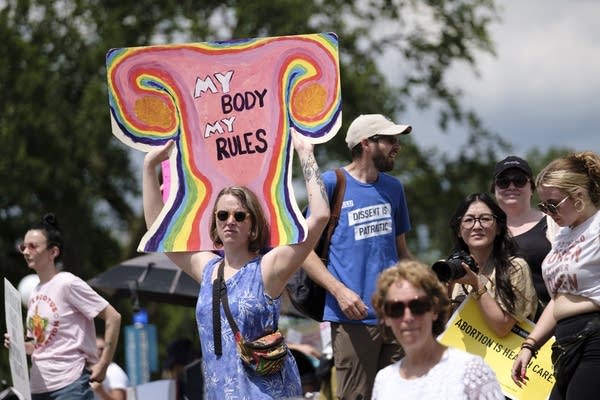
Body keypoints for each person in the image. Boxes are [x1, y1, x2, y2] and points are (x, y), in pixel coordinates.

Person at [142, 128, 329, 399]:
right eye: (223, 214)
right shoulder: (207, 270)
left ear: (253, 228)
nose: (230, 220)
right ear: (215, 224)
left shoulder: (268, 269)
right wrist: (149, 167)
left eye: (240, 216)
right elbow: (158, 234)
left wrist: (306, 154)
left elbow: (320, 216)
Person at [301, 113, 413, 399]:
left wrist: (424, 292)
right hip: (351, 320)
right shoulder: (330, 183)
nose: (397, 146)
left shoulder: (394, 188)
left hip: (397, 317)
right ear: (366, 143)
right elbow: (302, 253)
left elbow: (402, 253)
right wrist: (339, 292)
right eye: (390, 139)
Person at [3, 213, 122, 400]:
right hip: (38, 388)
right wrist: (19, 345)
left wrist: (104, 363)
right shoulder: (35, 292)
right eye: (23, 246)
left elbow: (113, 317)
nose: (26, 251)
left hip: (70, 386)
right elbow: (43, 346)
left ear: (53, 252)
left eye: (33, 246)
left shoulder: (67, 282)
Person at [511, 151, 600, 400]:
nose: (548, 212)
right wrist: (530, 345)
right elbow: (558, 298)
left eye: (553, 204)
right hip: (565, 340)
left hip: (595, 338)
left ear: (579, 196)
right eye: (543, 205)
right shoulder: (561, 234)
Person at [371, 259, 504, 399]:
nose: (408, 317)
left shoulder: (470, 370)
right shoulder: (384, 381)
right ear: (385, 317)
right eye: (396, 309)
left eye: (418, 306)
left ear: (434, 310)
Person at [447, 193, 538, 337]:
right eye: (469, 220)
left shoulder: (515, 267)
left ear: (499, 228)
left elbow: (502, 328)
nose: (477, 226)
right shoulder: (453, 271)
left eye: (485, 219)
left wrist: (476, 284)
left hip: (505, 358)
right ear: (459, 230)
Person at [491, 156, 552, 318]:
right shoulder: (482, 229)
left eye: (519, 181)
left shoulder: (554, 223)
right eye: (503, 182)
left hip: (546, 326)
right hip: (492, 328)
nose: (511, 186)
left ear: (531, 188)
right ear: (494, 189)